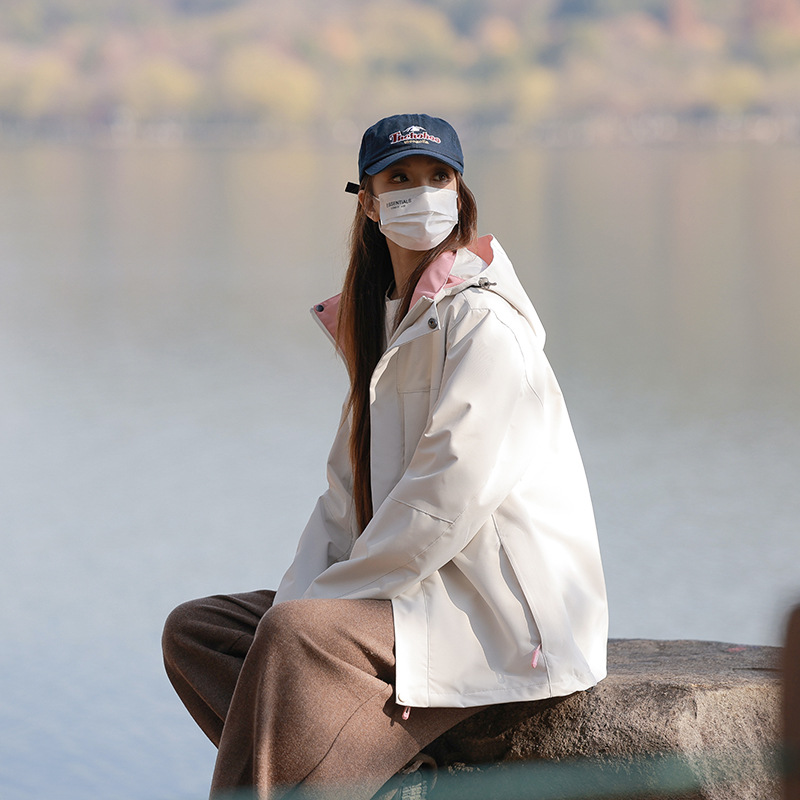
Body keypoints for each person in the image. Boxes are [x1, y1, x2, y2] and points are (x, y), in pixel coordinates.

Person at [162, 113, 608, 800]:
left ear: (459, 193)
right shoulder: (387, 328)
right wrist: (303, 597)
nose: (420, 192)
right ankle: (382, 770)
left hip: (494, 609)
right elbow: (344, 504)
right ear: (368, 203)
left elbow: (446, 498)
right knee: (200, 632)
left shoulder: (484, 324)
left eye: (438, 176)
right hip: (408, 593)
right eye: (399, 178)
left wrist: (320, 608)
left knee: (295, 637)